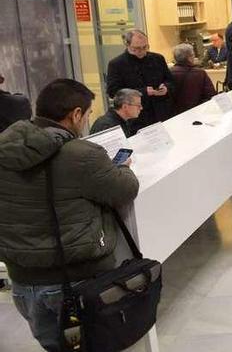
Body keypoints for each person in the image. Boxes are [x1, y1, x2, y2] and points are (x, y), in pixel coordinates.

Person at [0, 79, 139, 351]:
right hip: (74, 278)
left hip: (22, 279)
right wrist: (122, 167)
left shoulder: (4, 150)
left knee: (55, 345)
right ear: (76, 114)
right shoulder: (82, 155)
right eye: (87, 115)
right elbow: (126, 189)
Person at [106, 29, 174, 132]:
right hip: (136, 118)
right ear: (127, 45)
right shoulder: (116, 64)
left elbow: (171, 81)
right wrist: (143, 92)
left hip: (162, 112)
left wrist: (166, 87)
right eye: (136, 48)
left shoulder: (158, 59)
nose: (142, 51)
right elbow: (113, 92)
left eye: (145, 47)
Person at [170, 43, 217, 115]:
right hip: (197, 113)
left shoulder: (169, 73)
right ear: (189, 58)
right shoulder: (200, 73)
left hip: (175, 115)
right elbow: (210, 95)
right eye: (193, 55)